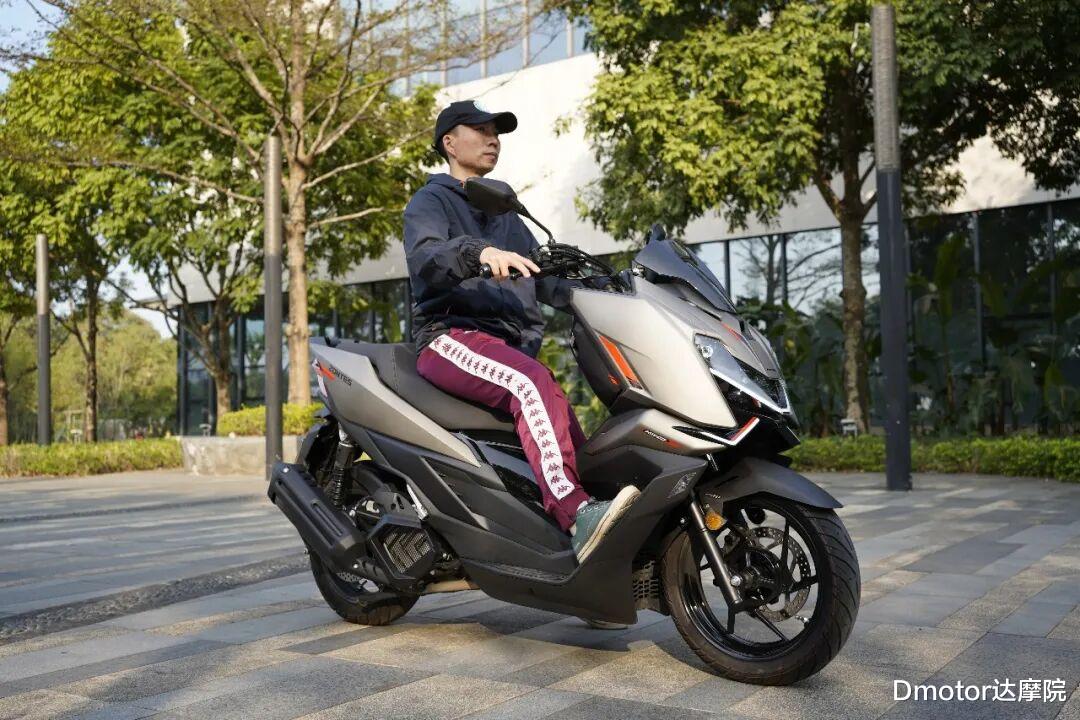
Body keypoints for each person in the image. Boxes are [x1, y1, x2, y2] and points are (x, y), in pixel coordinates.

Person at [402, 99, 640, 564]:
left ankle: (597, 538)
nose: (493, 140)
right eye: (481, 130)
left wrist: (610, 290)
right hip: (450, 337)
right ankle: (576, 513)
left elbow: (547, 280)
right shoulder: (430, 201)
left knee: (560, 412)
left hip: (507, 347)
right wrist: (476, 252)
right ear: (449, 143)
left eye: (497, 133)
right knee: (532, 384)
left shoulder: (506, 214)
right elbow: (426, 257)